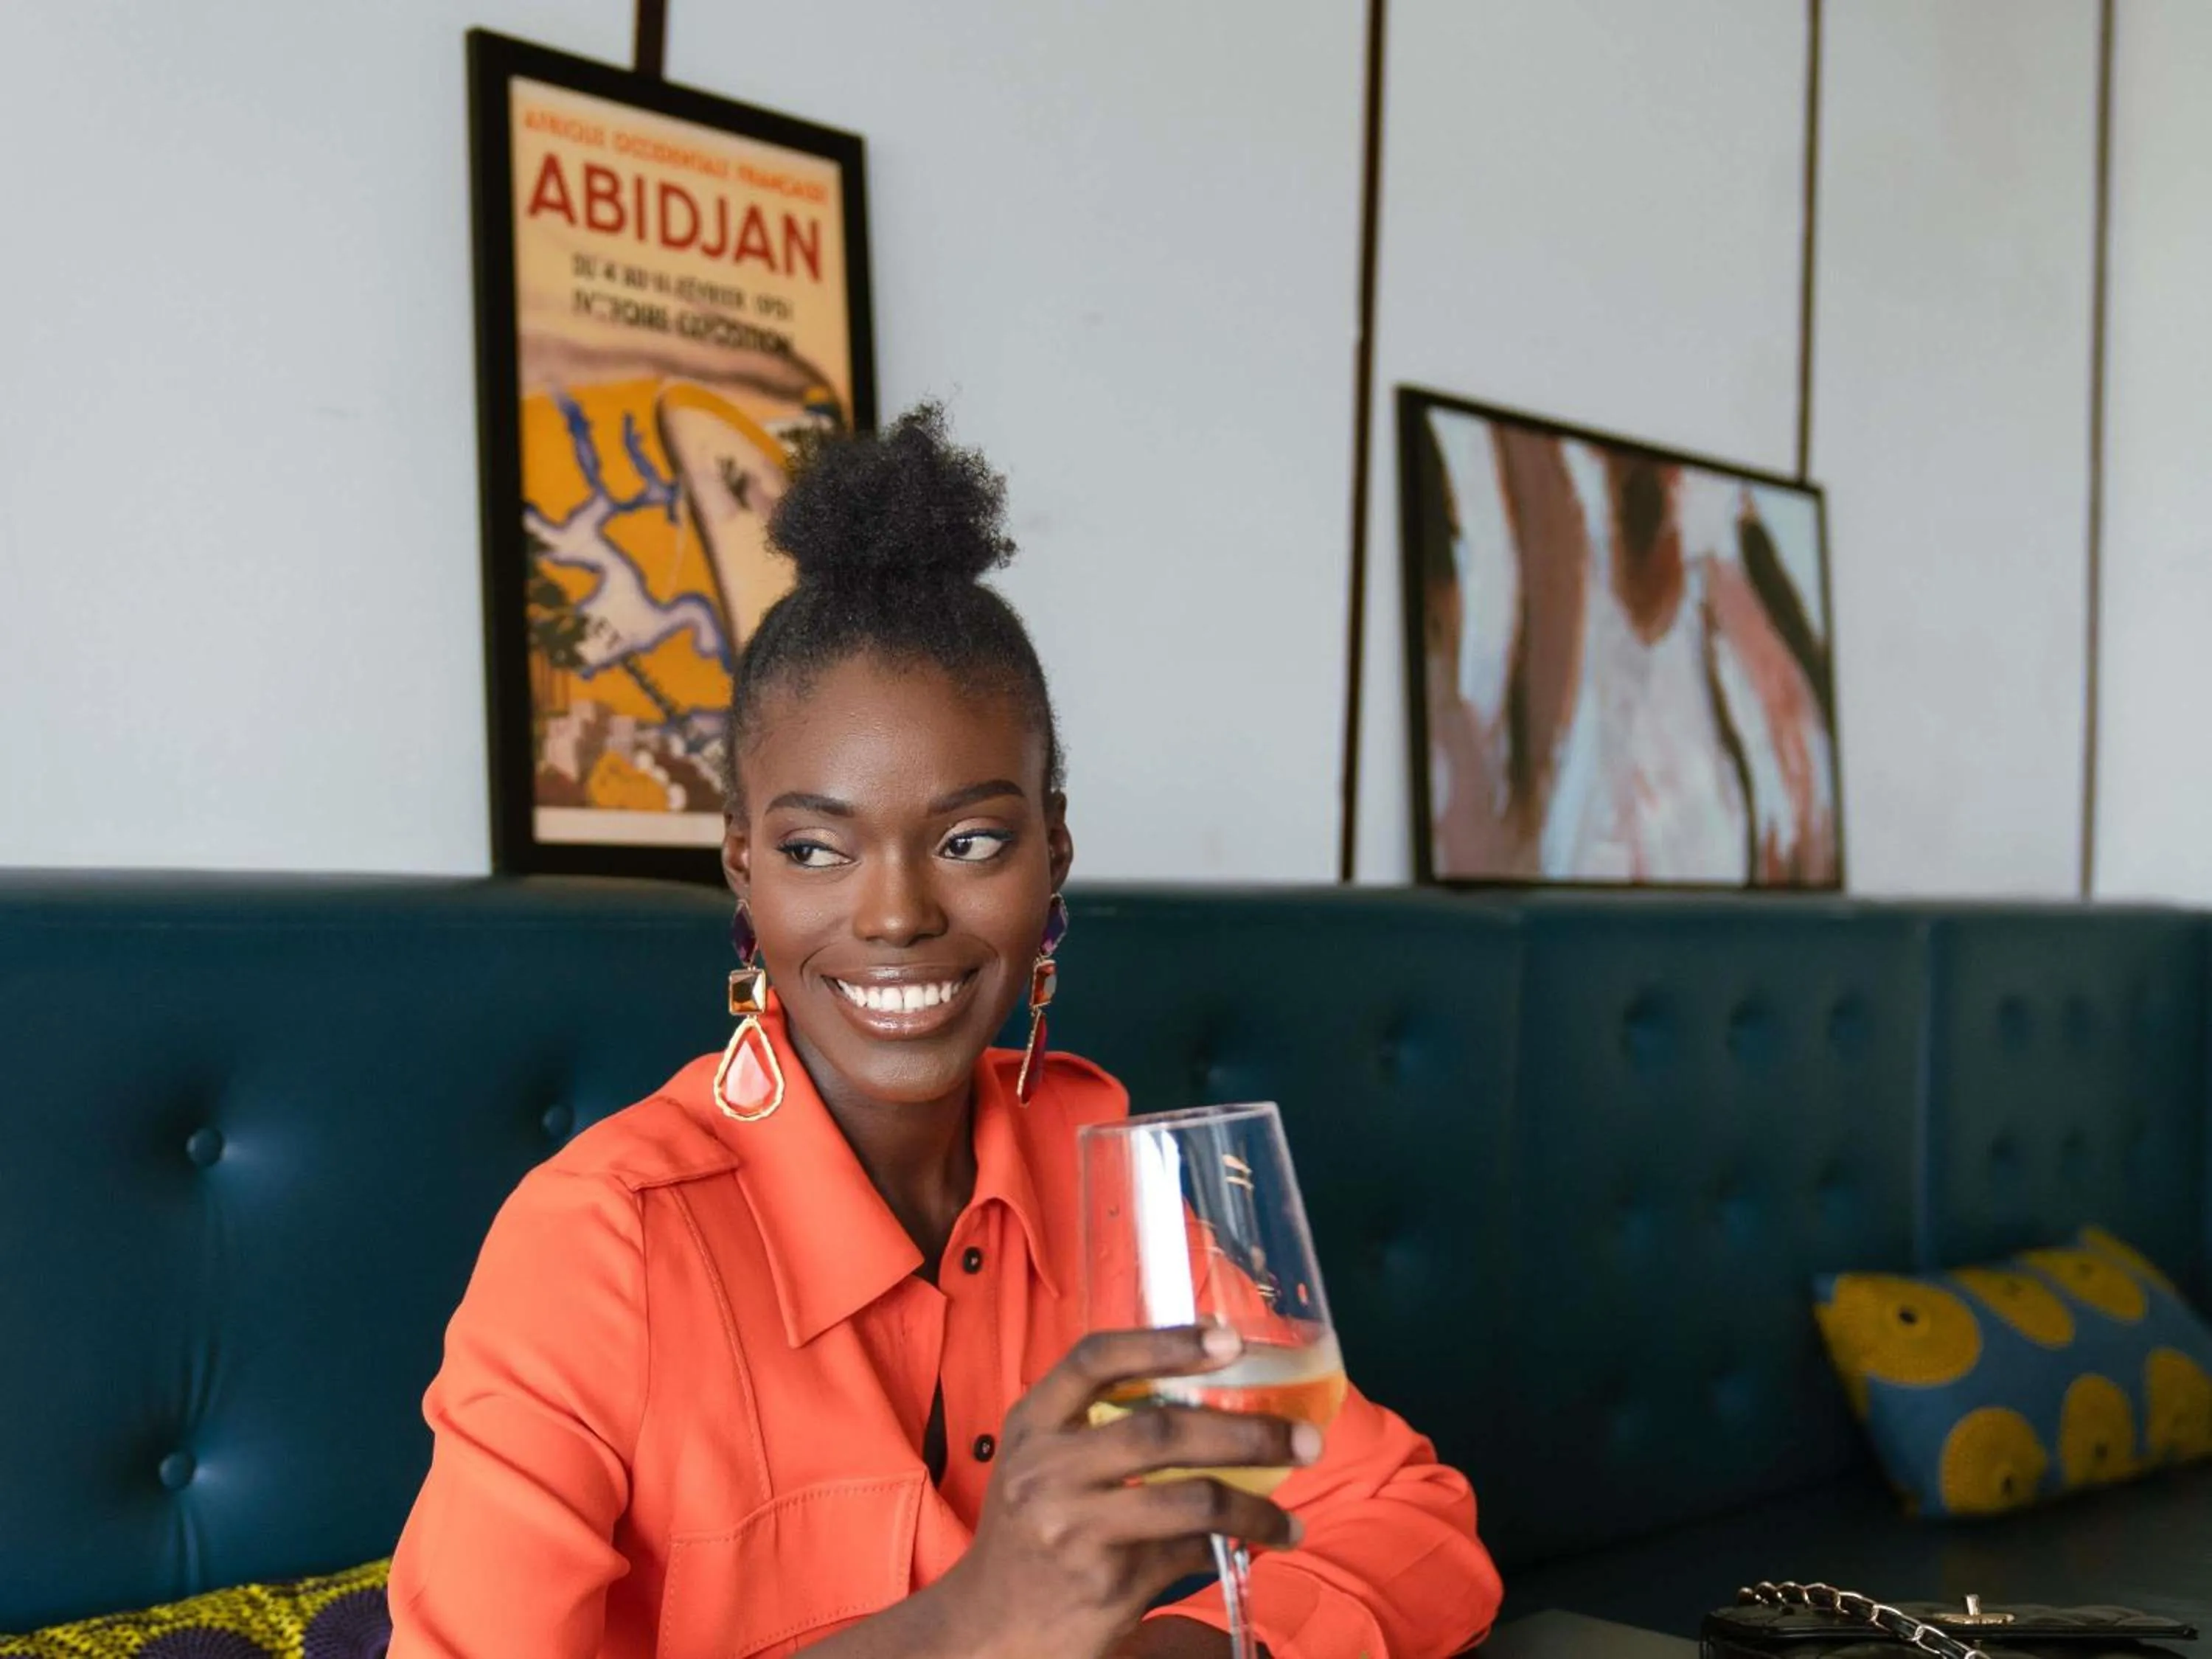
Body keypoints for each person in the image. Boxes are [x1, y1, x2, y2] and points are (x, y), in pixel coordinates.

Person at [387, 406, 1503, 1658]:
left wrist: (1161, 1654)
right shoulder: (603, 1241)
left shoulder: (1117, 1177)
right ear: (743, 870)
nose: (900, 913)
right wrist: (979, 1623)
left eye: (971, 840)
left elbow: (1409, 1517)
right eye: (816, 848)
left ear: (1054, 853)